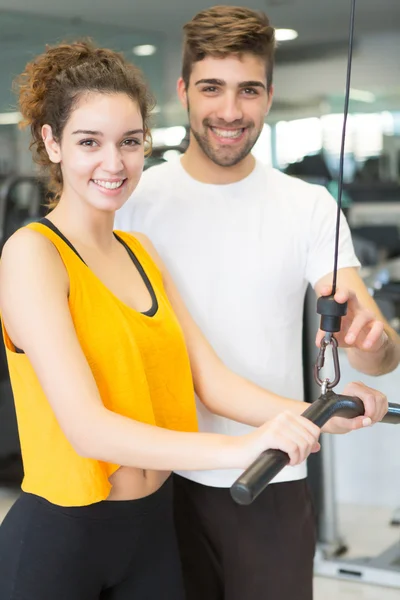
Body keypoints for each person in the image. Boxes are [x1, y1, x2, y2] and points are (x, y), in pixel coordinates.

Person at [0, 40, 329, 600]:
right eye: (89, 142)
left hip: (153, 528)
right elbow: (88, 429)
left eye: (130, 142)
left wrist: (317, 415)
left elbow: (211, 381)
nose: (115, 162)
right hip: (63, 538)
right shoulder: (32, 254)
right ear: (52, 143)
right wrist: (240, 448)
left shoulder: (140, 250)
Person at [115, 6, 400, 600]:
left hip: (273, 470)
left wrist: (372, 344)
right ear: (183, 91)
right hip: (157, 471)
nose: (229, 111)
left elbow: (379, 353)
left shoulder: (307, 206)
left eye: (248, 90)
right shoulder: (133, 199)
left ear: (269, 94)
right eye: (211, 88)